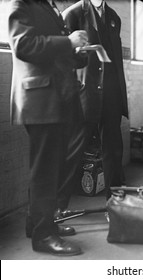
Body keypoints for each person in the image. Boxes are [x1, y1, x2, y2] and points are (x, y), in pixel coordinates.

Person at [8, 0, 88, 255]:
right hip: (40, 98)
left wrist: (78, 55)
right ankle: (44, 236)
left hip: (54, 98)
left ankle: (39, 225)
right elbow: (23, 45)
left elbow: (50, 50)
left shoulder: (46, 6)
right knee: (45, 171)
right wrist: (69, 42)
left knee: (48, 168)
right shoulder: (21, 3)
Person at [58, 0, 129, 214]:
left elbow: (115, 59)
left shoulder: (114, 17)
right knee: (73, 151)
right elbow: (62, 59)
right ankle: (57, 208)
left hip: (111, 95)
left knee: (113, 151)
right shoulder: (73, 14)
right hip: (84, 95)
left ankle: (115, 205)